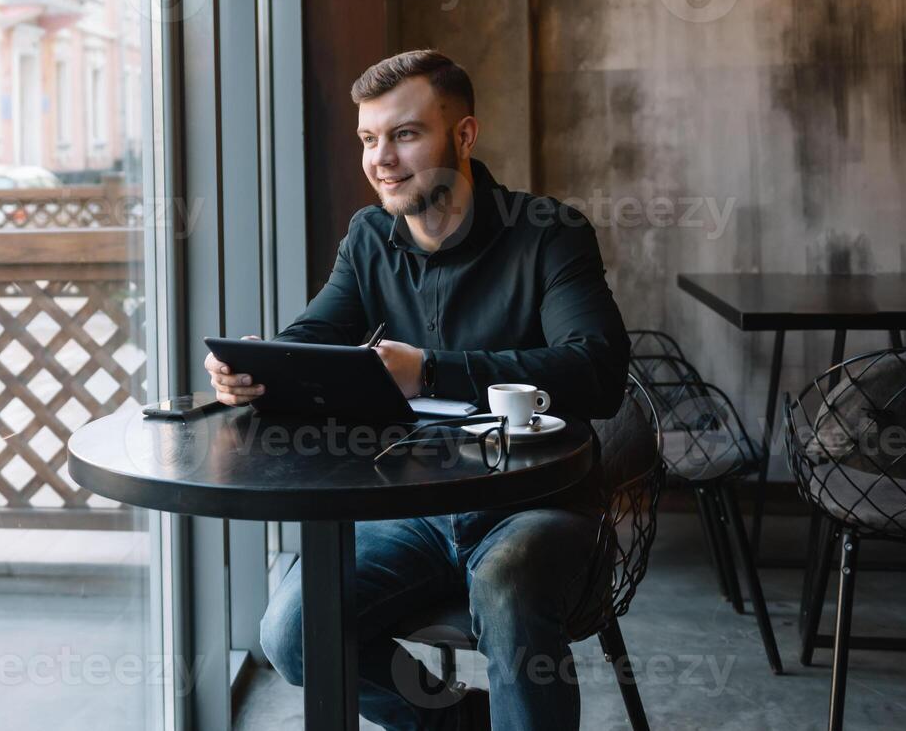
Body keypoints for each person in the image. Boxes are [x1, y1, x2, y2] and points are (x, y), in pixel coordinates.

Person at [202, 49, 631, 730]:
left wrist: (429, 370)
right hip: (413, 507)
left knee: (506, 586)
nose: (381, 159)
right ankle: (459, 722)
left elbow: (598, 372)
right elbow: (314, 335)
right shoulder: (370, 238)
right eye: (370, 139)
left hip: (536, 508)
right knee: (292, 635)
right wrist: (255, 369)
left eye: (404, 135)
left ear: (463, 136)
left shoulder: (549, 233)